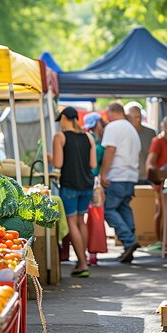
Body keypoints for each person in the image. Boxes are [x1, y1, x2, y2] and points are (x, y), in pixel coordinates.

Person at [53, 107, 97, 277]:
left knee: (72, 222)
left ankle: (83, 264)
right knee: (81, 221)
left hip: (70, 184)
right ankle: (81, 261)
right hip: (87, 184)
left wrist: (50, 157)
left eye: (61, 120)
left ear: (64, 118)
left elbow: (58, 163)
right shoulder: (89, 137)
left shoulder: (60, 137)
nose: (60, 124)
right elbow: (93, 165)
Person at [101, 102, 141, 263]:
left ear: (111, 112)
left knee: (109, 210)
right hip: (130, 176)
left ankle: (129, 240)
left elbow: (110, 150)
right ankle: (129, 244)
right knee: (124, 208)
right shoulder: (132, 129)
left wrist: (103, 173)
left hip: (116, 175)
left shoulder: (113, 127)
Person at [84, 112, 107, 266]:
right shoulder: (96, 142)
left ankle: (91, 253)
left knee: (87, 219)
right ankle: (92, 253)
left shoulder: (89, 139)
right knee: (93, 219)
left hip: (89, 182)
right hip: (93, 183)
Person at [146, 116, 167, 242]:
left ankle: (166, 239)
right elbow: (150, 162)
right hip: (160, 181)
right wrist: (156, 176)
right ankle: (159, 241)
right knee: (161, 210)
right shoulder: (158, 141)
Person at [126, 102, 156, 184]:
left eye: (139, 116)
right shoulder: (124, 133)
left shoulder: (151, 133)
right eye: (135, 117)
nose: (138, 119)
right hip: (129, 177)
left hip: (146, 177)